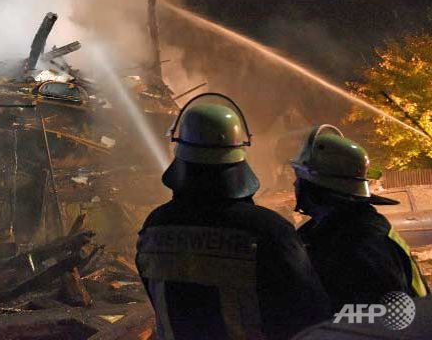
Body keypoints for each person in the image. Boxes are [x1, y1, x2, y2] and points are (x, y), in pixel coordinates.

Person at [136, 93, 330, 340]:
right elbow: (310, 314)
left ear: (179, 154)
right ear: (240, 154)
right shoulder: (270, 231)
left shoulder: (154, 227)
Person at [291, 125, 428, 312]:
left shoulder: (361, 241)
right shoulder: (340, 227)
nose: (295, 184)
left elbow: (380, 319)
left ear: (315, 186)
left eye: (299, 178)